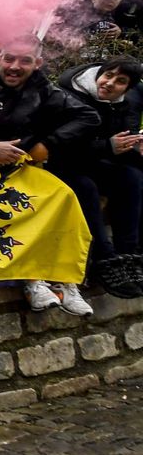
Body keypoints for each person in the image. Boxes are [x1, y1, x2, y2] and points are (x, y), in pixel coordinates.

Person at [0, 42, 101, 316]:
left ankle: (67, 282)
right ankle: (33, 281)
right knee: (24, 206)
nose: (15, 67)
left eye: (25, 60)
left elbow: (88, 116)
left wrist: (49, 144)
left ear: (37, 64)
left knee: (66, 198)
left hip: (26, 168)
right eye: (9, 58)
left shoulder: (46, 91)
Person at [57, 57, 143, 298]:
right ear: (98, 74)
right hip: (62, 165)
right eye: (108, 75)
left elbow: (121, 143)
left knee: (131, 177)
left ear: (127, 88)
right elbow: (62, 148)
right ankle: (103, 258)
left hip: (95, 159)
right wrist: (108, 146)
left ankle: (128, 254)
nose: (110, 83)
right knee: (85, 187)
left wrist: (135, 147)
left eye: (120, 81)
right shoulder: (68, 95)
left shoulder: (124, 103)